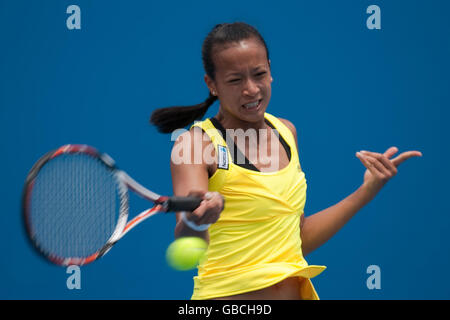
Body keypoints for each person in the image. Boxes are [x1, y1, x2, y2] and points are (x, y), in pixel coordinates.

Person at [150, 22, 422, 300]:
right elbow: (187, 239)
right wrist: (197, 222)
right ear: (212, 84)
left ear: (270, 69)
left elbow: (297, 239)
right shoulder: (196, 144)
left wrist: (366, 192)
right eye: (235, 80)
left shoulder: (286, 132)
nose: (251, 89)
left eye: (259, 74)